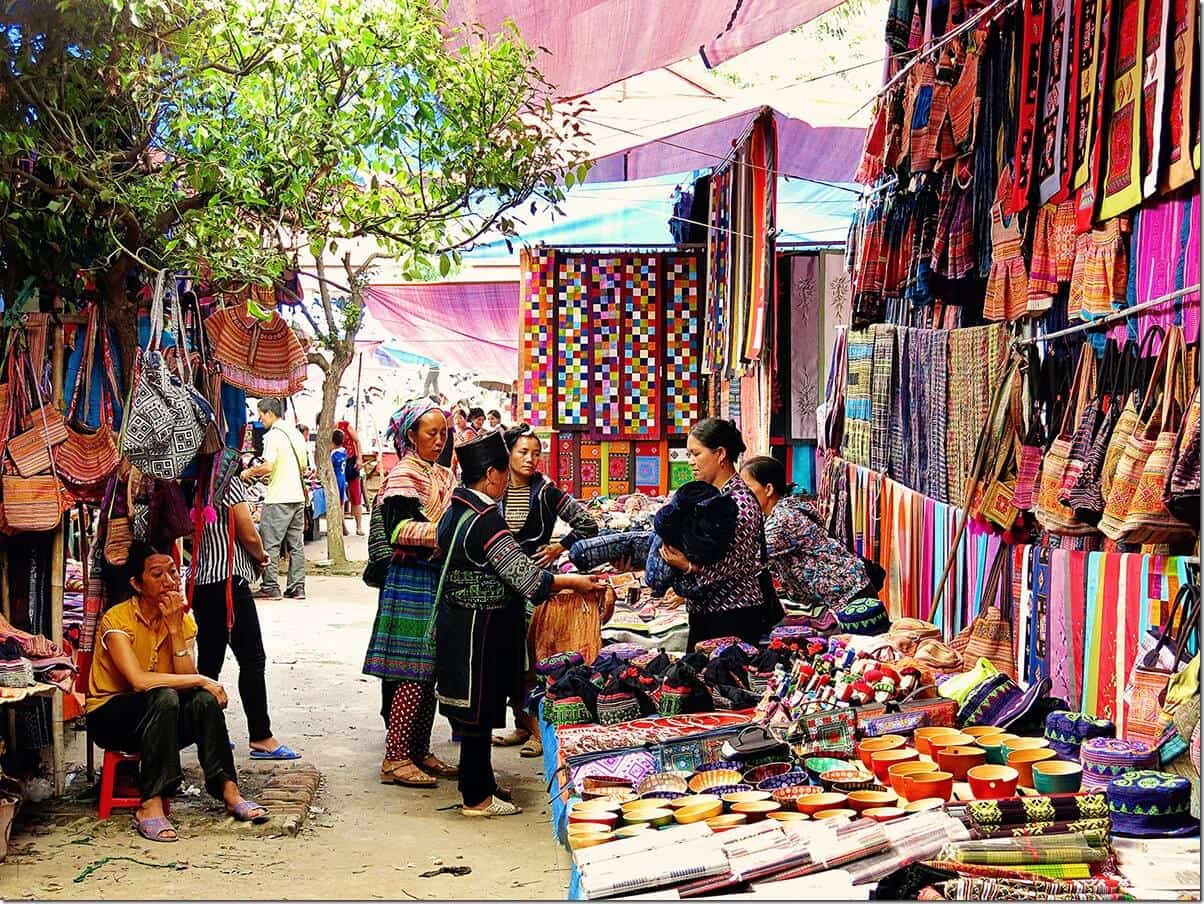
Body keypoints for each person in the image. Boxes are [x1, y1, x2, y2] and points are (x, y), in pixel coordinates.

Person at [433, 432, 603, 817]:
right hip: (481, 627)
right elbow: (528, 579)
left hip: (460, 622)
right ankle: (476, 798)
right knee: (477, 714)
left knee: (476, 710)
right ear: (492, 474)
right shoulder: (485, 518)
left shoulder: (456, 506)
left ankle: (481, 784)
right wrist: (572, 581)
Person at [87, 541, 270, 842]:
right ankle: (151, 803)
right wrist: (202, 679)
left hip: (161, 715)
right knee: (166, 694)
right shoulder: (116, 620)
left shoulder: (181, 620)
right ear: (136, 583)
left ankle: (229, 791)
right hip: (111, 717)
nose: (170, 581)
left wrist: (174, 630)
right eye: (157, 575)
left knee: (201, 701)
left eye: (173, 572)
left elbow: (185, 681)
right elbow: (139, 682)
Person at [363, 400, 459, 788]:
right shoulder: (404, 475)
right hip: (411, 579)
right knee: (410, 670)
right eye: (430, 433)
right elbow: (399, 529)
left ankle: (418, 750)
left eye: (442, 433)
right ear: (410, 435)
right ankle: (395, 758)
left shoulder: (439, 473)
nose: (438, 440)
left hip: (433, 576)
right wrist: (450, 535)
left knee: (429, 669)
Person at [493, 423, 600, 757]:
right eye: (523, 452)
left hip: (535, 584)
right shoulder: (495, 488)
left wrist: (559, 546)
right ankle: (521, 724)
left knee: (534, 656)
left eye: (536, 454)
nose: (530, 459)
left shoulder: (547, 491)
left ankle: (539, 732)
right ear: (508, 453)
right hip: (500, 582)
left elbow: (587, 523)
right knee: (510, 655)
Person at [188, 450, 299, 760]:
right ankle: (261, 736)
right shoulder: (227, 484)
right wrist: (262, 555)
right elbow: (247, 531)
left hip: (201, 580)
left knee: (210, 661)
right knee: (252, 659)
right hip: (228, 582)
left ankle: (207, 732)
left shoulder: (192, 483)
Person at [659, 418, 779, 650]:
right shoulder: (712, 496)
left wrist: (689, 567)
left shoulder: (739, 501)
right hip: (710, 610)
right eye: (689, 455)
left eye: (696, 454)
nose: (691, 462)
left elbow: (735, 562)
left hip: (733, 614)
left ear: (720, 454)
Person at [739, 456, 877, 619]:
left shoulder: (783, 520)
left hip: (850, 596)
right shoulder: (782, 510)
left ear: (768, 489)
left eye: (747, 488)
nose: (743, 496)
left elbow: (748, 561)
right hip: (846, 591)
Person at [242, 398, 309, 600]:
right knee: (296, 545)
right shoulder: (295, 433)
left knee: (270, 543)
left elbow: (268, 466)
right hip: (297, 496)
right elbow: (303, 466)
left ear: (270, 413)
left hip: (279, 497)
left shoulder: (273, 436)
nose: (260, 418)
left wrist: (249, 473)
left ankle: (270, 585)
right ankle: (297, 587)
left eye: (260, 414)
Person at [337, 419, 366, 536]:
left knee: (356, 494)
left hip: (351, 461)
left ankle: (359, 526)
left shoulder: (345, 425)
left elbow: (357, 441)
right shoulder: (326, 431)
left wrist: (359, 458)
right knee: (340, 497)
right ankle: (343, 526)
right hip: (338, 463)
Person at [331, 429, 349, 534]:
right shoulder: (344, 452)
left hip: (336, 480)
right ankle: (343, 525)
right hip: (343, 479)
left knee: (336, 504)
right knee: (341, 504)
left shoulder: (333, 455)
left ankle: (340, 525)